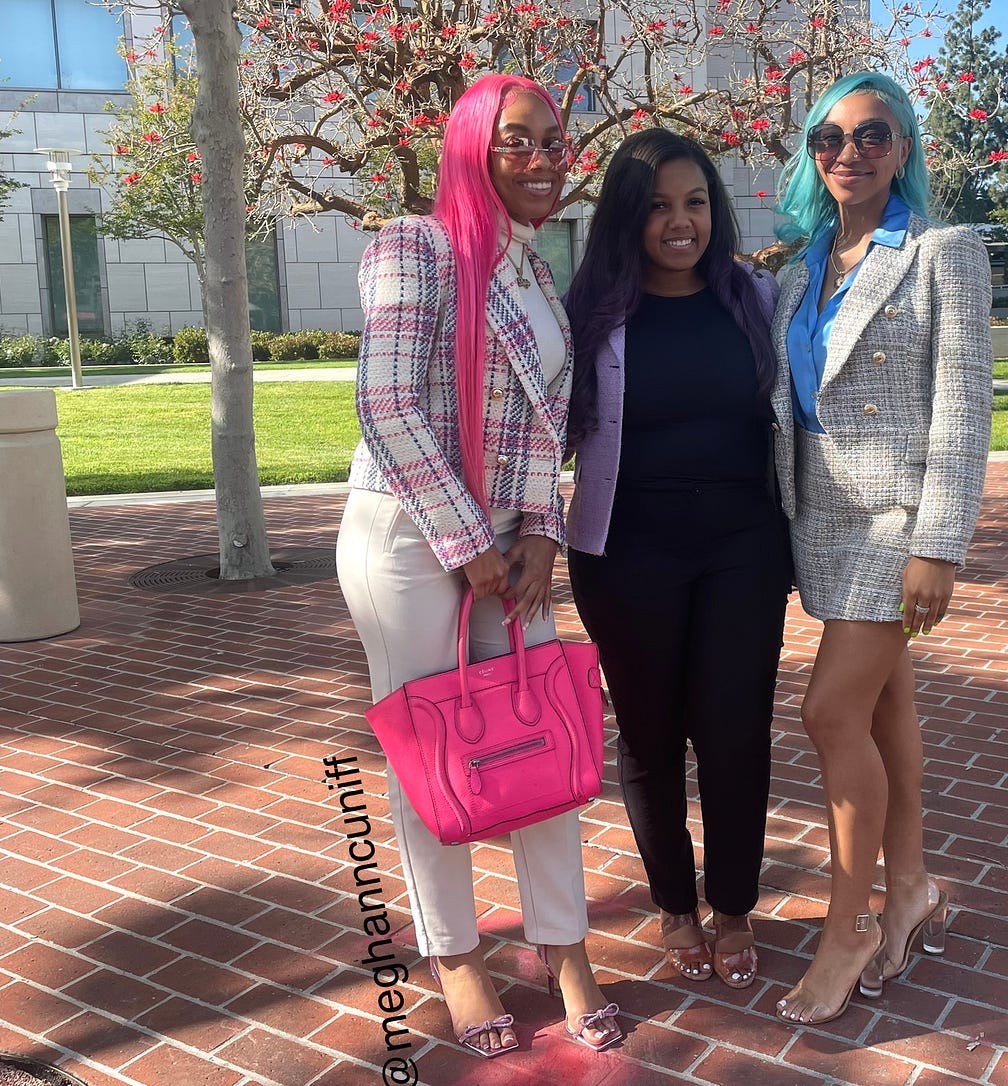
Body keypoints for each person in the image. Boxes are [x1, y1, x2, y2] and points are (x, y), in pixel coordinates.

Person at [335, 73, 621, 1057]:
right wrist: (468, 545)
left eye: (554, 142)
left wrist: (539, 529)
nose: (543, 160)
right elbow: (386, 403)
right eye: (517, 141)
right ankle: (455, 956)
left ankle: (564, 946)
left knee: (546, 735)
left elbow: (543, 425)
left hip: (509, 545)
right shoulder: (412, 247)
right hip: (410, 539)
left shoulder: (537, 272)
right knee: (433, 754)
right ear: (470, 147)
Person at [768, 71, 993, 1024]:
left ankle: (847, 926)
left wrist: (938, 545)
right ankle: (910, 889)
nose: (848, 153)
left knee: (828, 713)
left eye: (872, 135)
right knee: (884, 706)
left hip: (897, 525)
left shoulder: (944, 252)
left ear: (903, 148)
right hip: (821, 520)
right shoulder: (798, 268)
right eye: (829, 138)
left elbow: (964, 408)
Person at [564, 130, 790, 989]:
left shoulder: (755, 297)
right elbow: (537, 423)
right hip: (627, 550)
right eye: (657, 206)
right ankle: (674, 905)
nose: (679, 221)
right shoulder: (592, 314)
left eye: (695, 202)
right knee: (651, 736)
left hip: (743, 546)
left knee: (734, 732)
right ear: (627, 217)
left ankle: (732, 904)